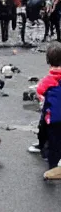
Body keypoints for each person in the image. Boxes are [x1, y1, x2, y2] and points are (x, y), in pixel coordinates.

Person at [34, 43, 61, 180]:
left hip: (54, 118)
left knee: (53, 143)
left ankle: (53, 168)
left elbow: (40, 92)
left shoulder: (48, 79)